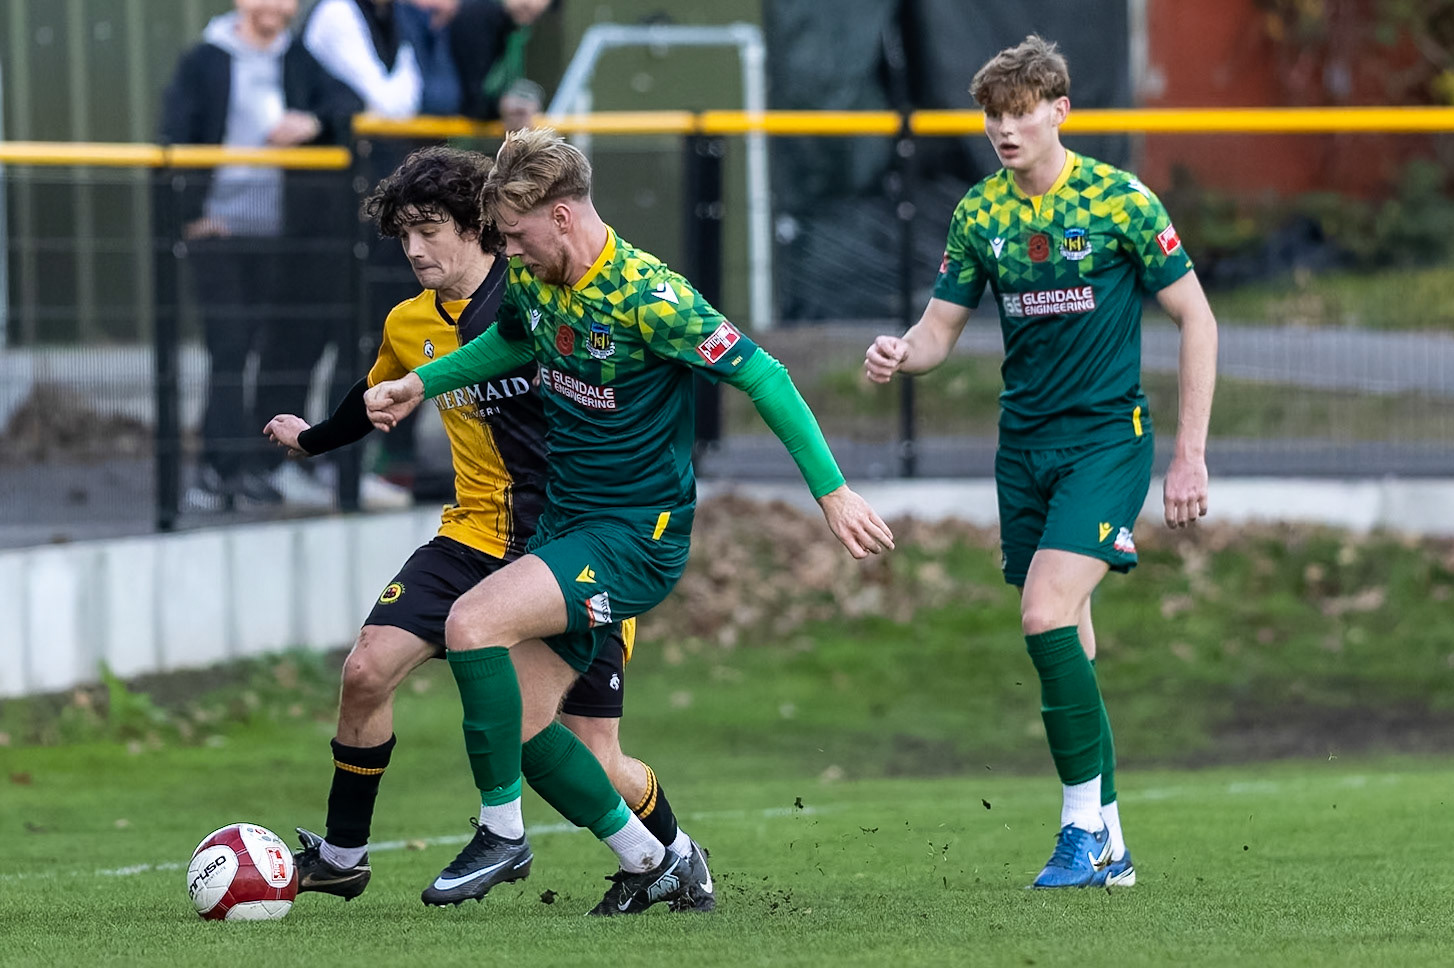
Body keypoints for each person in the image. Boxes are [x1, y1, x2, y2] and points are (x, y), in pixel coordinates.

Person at [363, 127, 894, 915]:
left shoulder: (652, 296)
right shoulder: (538, 282)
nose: (506, 252)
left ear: (565, 216)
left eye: (515, 235)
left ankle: (502, 834)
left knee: (472, 624)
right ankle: (659, 861)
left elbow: (766, 375)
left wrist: (834, 492)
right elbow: (511, 341)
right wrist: (423, 383)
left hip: (634, 539)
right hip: (569, 528)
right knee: (528, 730)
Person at [262, 145, 712, 910]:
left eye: (429, 229)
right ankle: (344, 854)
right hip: (469, 537)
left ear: (481, 226)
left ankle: (668, 855)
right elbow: (373, 398)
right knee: (368, 668)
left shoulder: (537, 294)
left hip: (566, 548)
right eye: (403, 235)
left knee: (588, 753)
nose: (414, 249)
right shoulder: (410, 323)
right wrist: (312, 440)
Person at [864, 35, 1217, 890]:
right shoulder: (982, 213)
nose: (1005, 129)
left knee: (1045, 616)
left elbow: (1197, 321)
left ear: (1060, 109)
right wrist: (899, 354)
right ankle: (1114, 842)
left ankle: (1077, 830)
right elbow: (939, 332)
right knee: (1070, 642)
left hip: (1105, 443)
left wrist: (1189, 458)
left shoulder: (1120, 201)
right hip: (1022, 451)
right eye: (993, 116)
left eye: (1021, 112)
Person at [159, 0, 360, 511]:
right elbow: (173, 134)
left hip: (283, 237)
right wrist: (189, 216)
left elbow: (347, 105)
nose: (276, 5)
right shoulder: (206, 58)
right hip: (221, 234)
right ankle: (217, 468)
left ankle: (260, 466)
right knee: (229, 347)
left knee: (281, 351)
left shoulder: (299, 60)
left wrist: (312, 122)